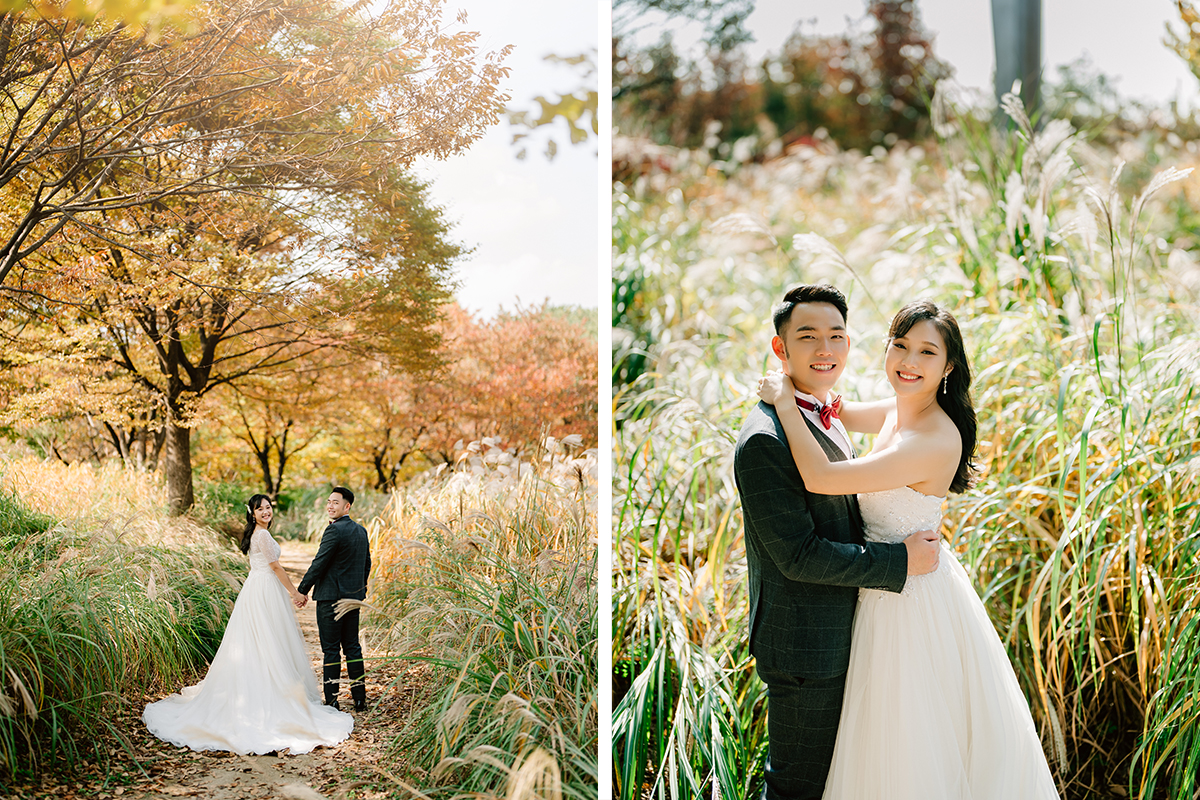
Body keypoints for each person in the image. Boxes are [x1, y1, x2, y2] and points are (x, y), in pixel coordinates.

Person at [757, 298, 1060, 799]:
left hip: (909, 600)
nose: (909, 362)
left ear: (948, 367)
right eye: (900, 346)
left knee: (906, 740)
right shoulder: (902, 409)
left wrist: (785, 404)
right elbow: (844, 410)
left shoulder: (934, 438)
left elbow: (823, 476)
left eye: (926, 352)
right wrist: (810, 391)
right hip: (880, 583)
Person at [733, 284, 941, 800]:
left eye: (837, 336)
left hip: (857, 632)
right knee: (796, 789)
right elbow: (799, 556)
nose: (825, 350)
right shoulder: (765, 440)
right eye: (808, 337)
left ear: (850, 343)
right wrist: (900, 560)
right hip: (807, 647)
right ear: (780, 348)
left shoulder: (826, 410)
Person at [142, 494, 353, 755]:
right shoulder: (262, 535)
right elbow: (275, 567)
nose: (265, 511)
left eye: (268, 507)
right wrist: (295, 593)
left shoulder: (259, 532)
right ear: (252, 513)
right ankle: (265, 694)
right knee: (265, 640)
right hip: (264, 589)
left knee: (263, 640)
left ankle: (264, 688)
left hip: (260, 589)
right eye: (260, 508)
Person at [297, 487, 371, 712]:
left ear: (347, 506)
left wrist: (302, 590)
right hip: (353, 598)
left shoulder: (334, 531)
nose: (330, 506)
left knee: (331, 650)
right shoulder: (361, 531)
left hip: (331, 599)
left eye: (335, 503)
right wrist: (359, 591)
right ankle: (360, 699)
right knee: (352, 647)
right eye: (328, 502)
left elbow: (319, 563)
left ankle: (332, 700)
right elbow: (366, 564)